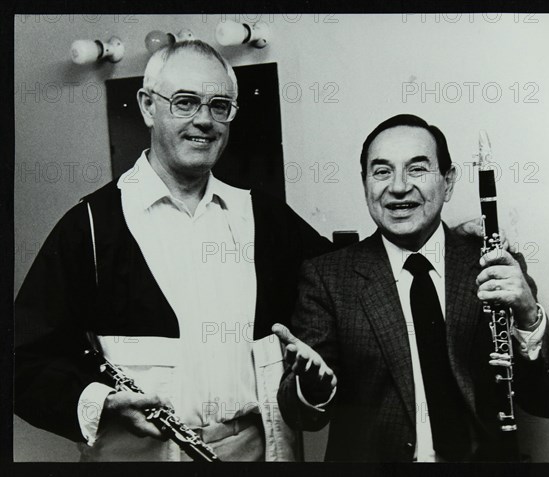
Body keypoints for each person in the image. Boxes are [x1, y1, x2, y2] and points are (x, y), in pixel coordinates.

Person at [14, 40, 333, 461]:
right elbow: (22, 362)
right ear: (147, 106)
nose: (204, 120)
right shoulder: (90, 226)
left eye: (220, 106)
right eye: (185, 102)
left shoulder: (265, 217)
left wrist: (439, 238)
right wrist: (104, 403)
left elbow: (350, 279)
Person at [275, 114, 549, 462]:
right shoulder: (327, 277)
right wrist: (311, 387)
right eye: (382, 171)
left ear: (448, 182)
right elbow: (301, 417)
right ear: (364, 184)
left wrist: (528, 315)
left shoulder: (494, 265)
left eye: (417, 169)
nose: (399, 186)